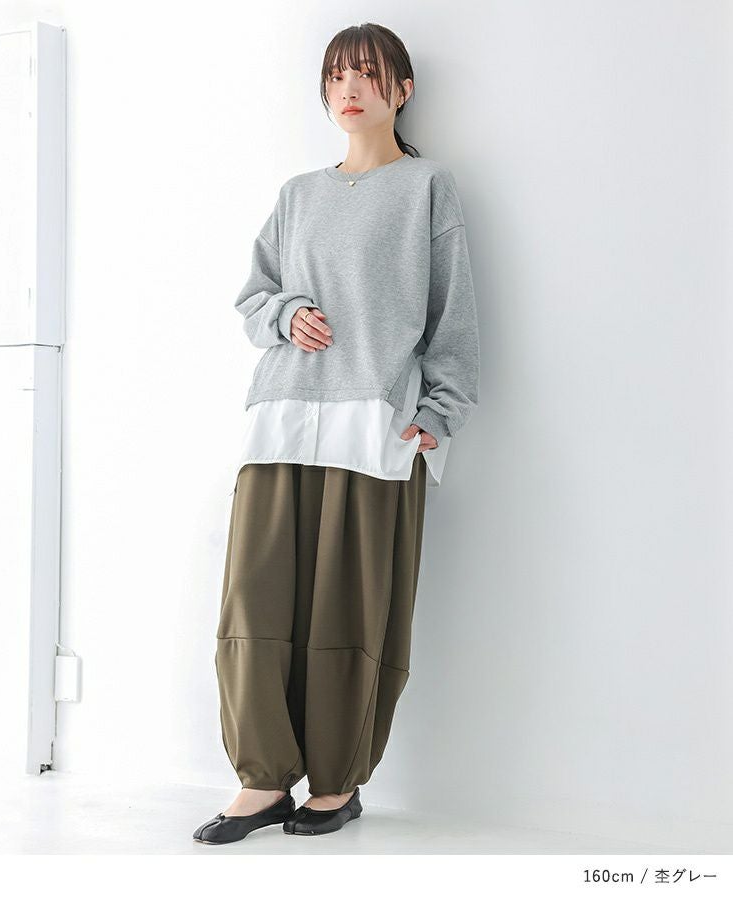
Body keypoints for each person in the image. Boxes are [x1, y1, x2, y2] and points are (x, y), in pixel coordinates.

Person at [193, 22, 480, 845]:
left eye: (367, 73)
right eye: (336, 76)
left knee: (349, 611)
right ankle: (261, 781)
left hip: (374, 428)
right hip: (283, 418)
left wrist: (439, 412)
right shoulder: (298, 196)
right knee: (256, 600)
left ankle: (335, 784)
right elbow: (254, 298)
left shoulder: (427, 188)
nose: (349, 89)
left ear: (402, 89)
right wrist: (287, 313)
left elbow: (453, 315)